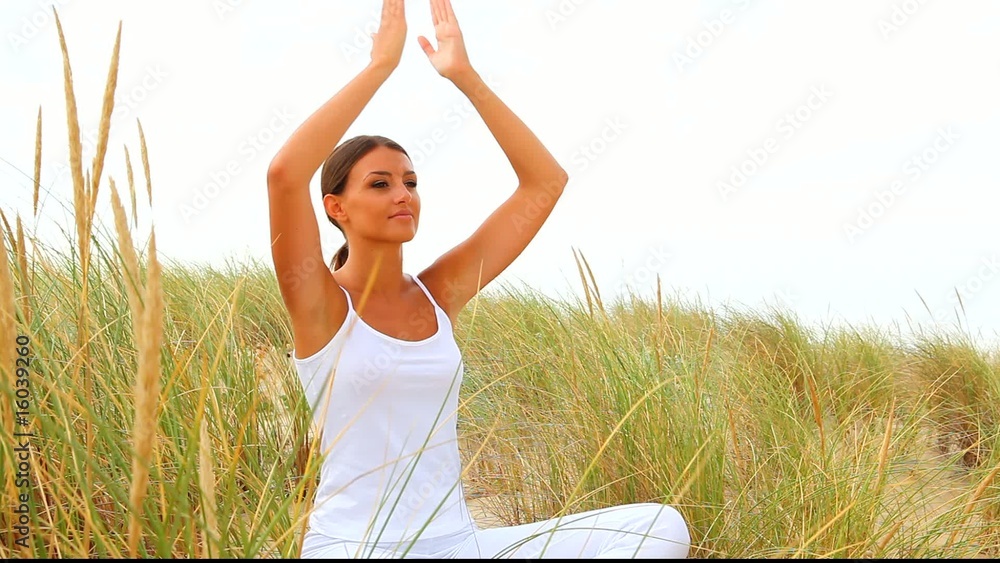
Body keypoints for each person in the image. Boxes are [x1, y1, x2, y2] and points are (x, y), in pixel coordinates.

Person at [267, 0, 691, 558]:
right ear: (335, 208)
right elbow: (283, 175)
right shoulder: (318, 303)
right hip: (355, 549)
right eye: (379, 183)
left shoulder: (439, 294)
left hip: (456, 545)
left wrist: (466, 79)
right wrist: (379, 68)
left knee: (660, 527)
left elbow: (544, 184)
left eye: (410, 180)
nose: (403, 194)